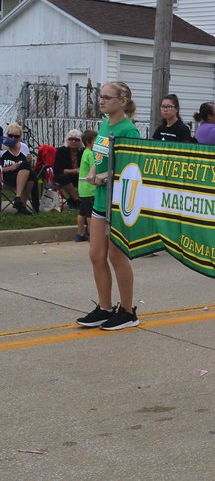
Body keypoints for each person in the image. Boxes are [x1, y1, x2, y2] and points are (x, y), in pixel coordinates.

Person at [76, 81, 142, 331]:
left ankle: (127, 312)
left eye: (107, 97)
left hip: (118, 203)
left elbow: (132, 168)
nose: (101, 101)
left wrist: (107, 176)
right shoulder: (105, 124)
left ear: (122, 101)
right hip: (101, 201)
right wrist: (94, 170)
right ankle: (104, 308)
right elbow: (100, 157)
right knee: (95, 255)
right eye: (100, 96)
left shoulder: (128, 131)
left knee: (116, 256)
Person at [1, 122, 33, 214]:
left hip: (21, 177)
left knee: (30, 172)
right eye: (10, 136)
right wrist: (10, 168)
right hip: (5, 177)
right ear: (6, 135)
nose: (13, 139)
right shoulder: (2, 148)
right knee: (31, 176)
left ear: (20, 137)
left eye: (16, 137)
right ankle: (20, 204)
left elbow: (27, 167)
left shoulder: (24, 147)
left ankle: (19, 201)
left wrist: (29, 161)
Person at [75, 129, 98, 242]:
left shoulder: (85, 152)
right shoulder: (92, 154)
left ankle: (80, 233)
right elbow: (94, 169)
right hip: (90, 188)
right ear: (89, 142)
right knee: (90, 214)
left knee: (82, 212)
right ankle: (92, 234)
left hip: (82, 188)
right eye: (96, 140)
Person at [53, 128, 84, 209]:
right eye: (71, 139)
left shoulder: (83, 152)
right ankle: (76, 201)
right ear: (67, 140)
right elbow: (58, 170)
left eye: (76, 139)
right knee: (63, 177)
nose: (73, 141)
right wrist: (75, 170)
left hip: (79, 176)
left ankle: (85, 200)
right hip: (63, 176)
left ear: (81, 141)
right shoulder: (61, 151)